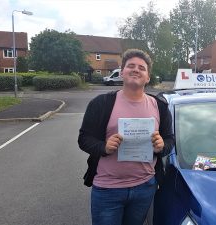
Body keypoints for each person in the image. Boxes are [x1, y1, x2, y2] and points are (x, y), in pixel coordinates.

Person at [78, 49, 174, 225]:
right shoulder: (101, 103)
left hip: (145, 187)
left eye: (141, 68)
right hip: (108, 188)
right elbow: (84, 139)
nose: (136, 70)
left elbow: (170, 140)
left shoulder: (159, 106)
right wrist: (103, 147)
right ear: (122, 72)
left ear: (148, 77)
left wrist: (162, 146)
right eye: (131, 66)